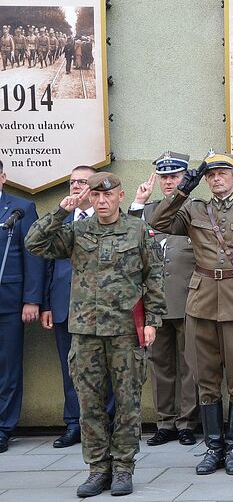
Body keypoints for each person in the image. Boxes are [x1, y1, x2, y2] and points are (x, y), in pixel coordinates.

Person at [25, 172, 164, 497]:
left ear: (120, 196)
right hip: (86, 332)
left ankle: (123, 468)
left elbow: (154, 275)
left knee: (128, 402)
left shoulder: (137, 229)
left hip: (125, 333)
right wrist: (62, 209)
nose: (102, 201)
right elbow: (34, 243)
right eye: (96, 195)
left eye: (108, 195)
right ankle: (98, 469)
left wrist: (152, 321)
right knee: (89, 405)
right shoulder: (77, 230)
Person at [149, 151, 233, 476]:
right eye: (211, 175)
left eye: (223, 173)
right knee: (206, 379)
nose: (217, 179)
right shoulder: (193, 209)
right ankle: (213, 447)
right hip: (202, 304)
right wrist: (183, 190)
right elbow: (157, 222)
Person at [40, 165, 114, 449]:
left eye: (83, 182)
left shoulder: (107, 218)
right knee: (71, 367)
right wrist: (46, 304)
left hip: (101, 309)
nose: (76, 186)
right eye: (72, 181)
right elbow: (46, 264)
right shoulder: (61, 221)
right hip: (64, 306)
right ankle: (74, 423)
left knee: (104, 368)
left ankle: (105, 422)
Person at [128, 152, 199, 447]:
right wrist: (138, 203)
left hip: (189, 300)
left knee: (190, 365)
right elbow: (128, 239)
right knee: (160, 366)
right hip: (155, 304)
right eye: (164, 177)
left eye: (175, 176)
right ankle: (165, 422)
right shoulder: (148, 211)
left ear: (185, 178)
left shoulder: (197, 209)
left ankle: (187, 423)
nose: (169, 182)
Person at [0, 159, 44, 455]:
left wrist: (32, 299)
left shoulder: (21, 208)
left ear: (3, 177)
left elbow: (33, 254)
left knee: (7, 366)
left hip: (9, 300)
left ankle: (3, 427)